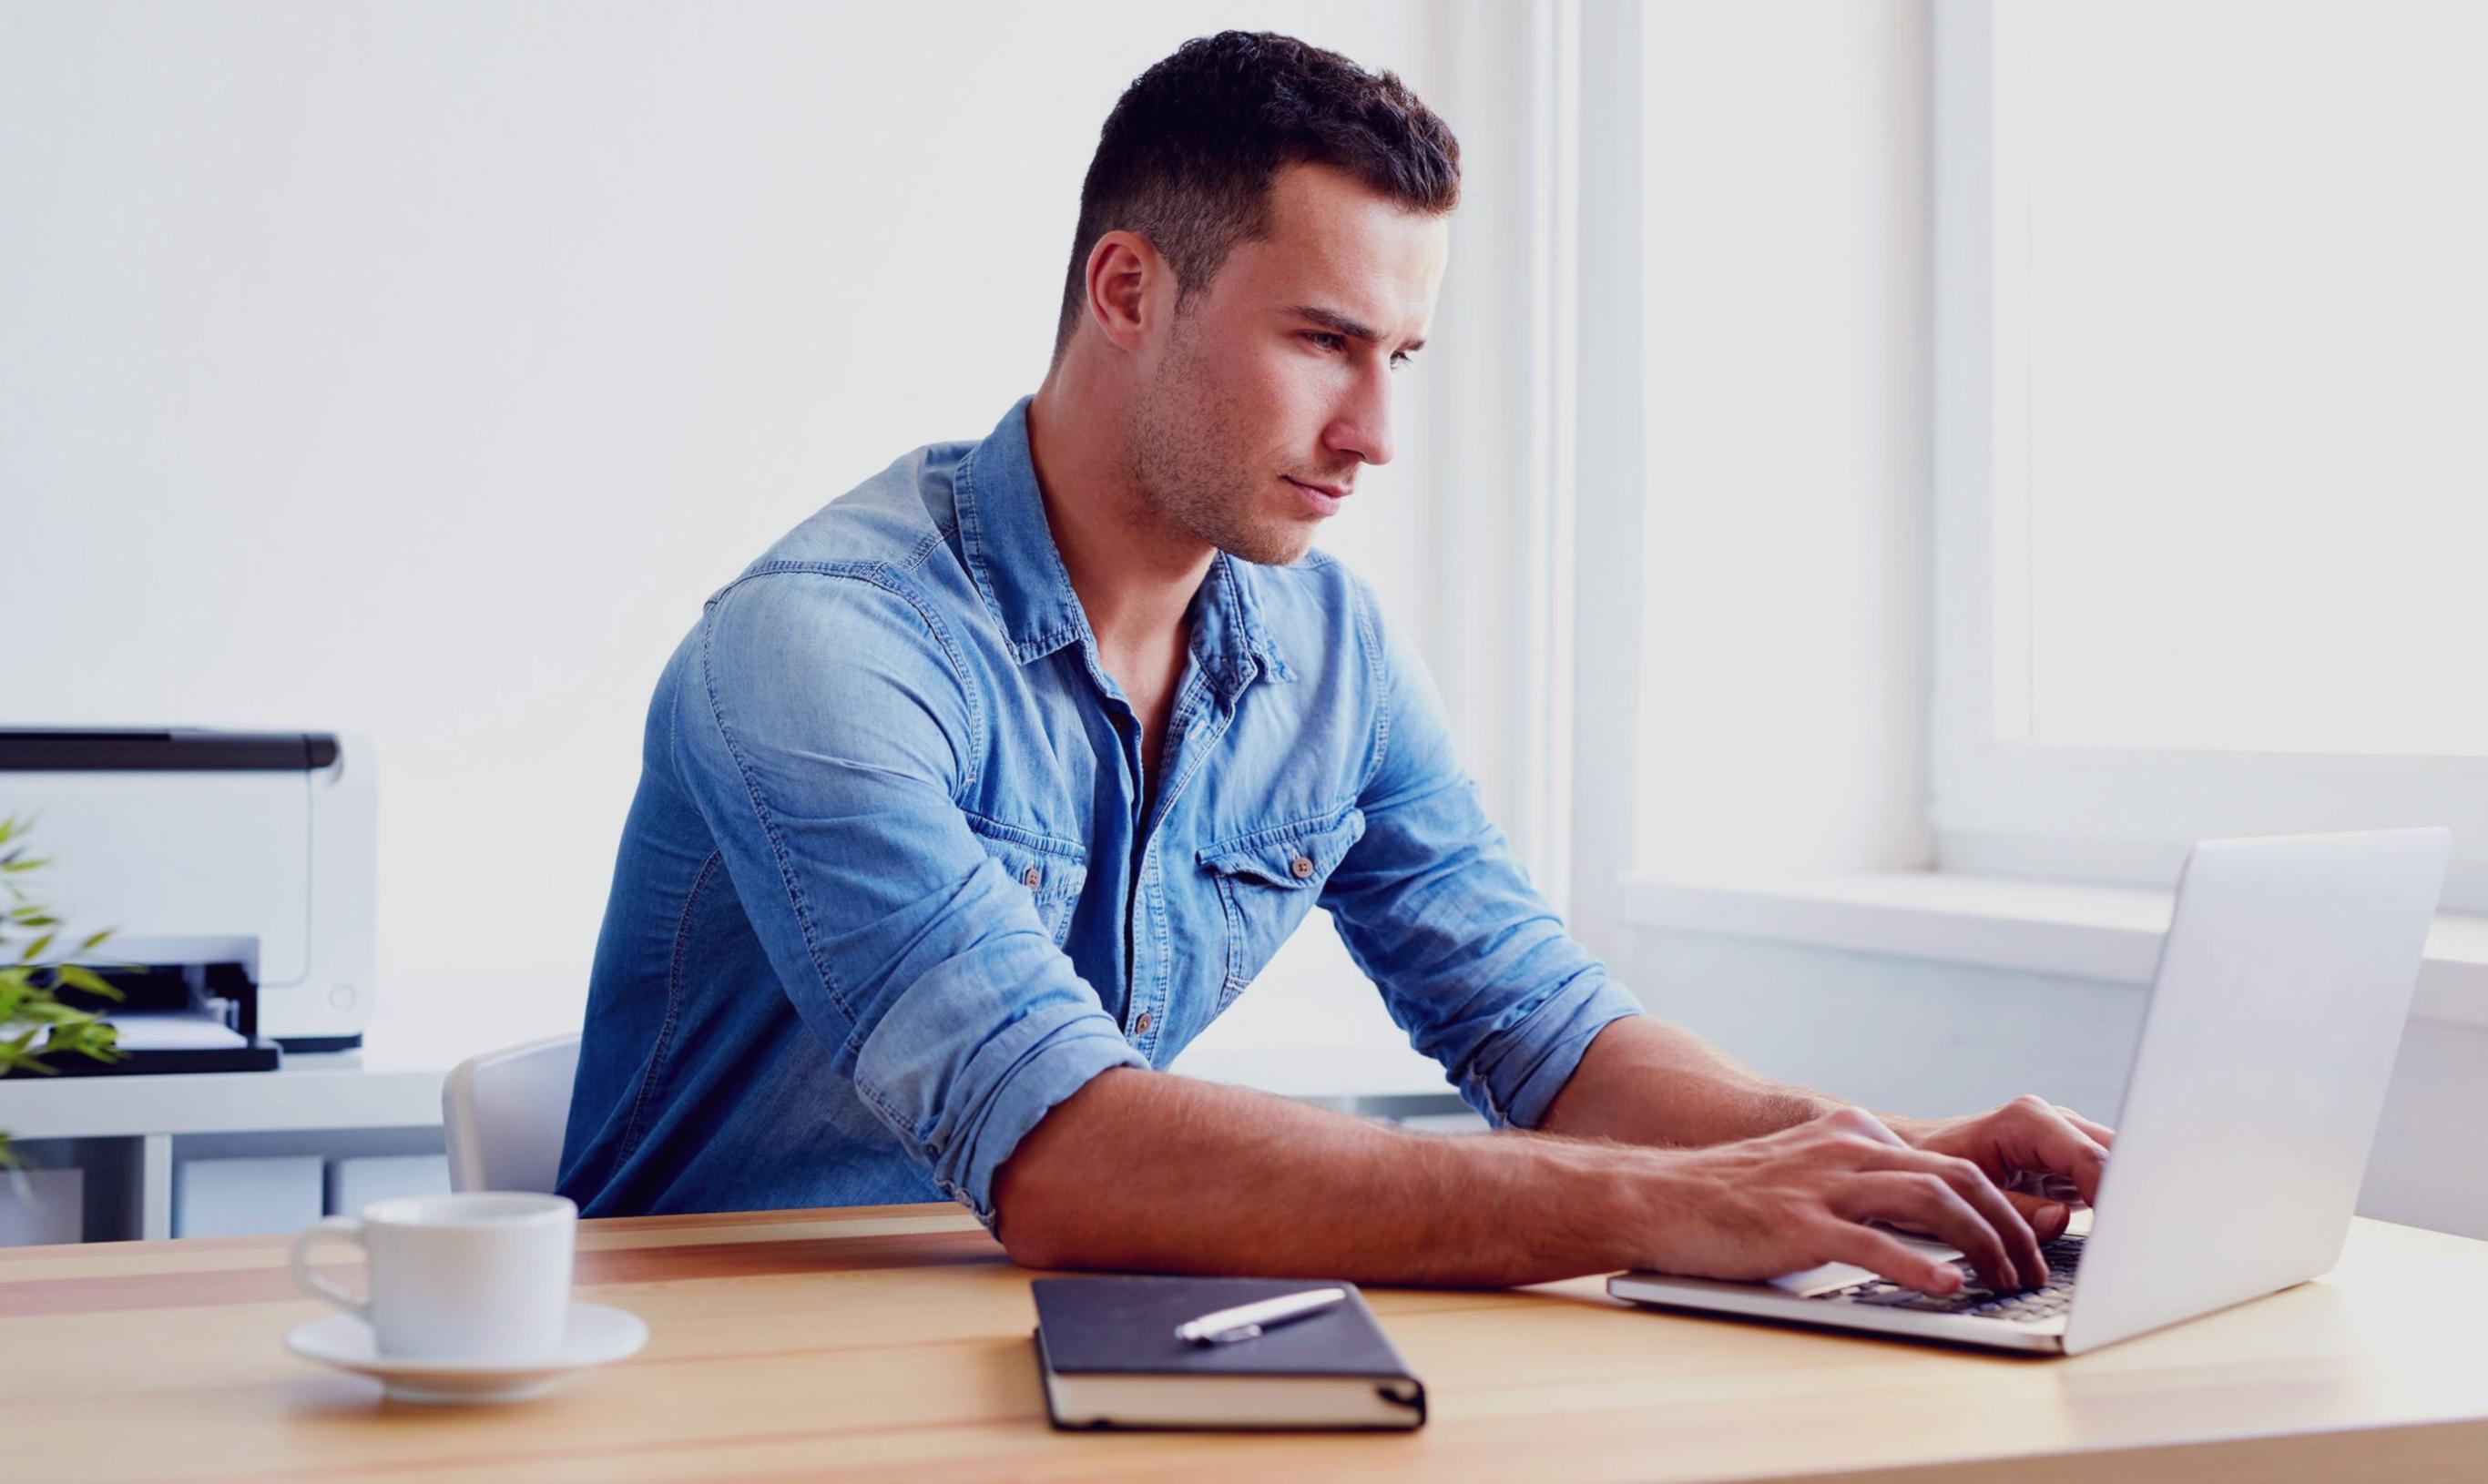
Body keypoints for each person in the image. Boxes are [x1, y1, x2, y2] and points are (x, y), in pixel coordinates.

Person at [557, 30, 2113, 1297]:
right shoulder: (821, 649)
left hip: (1062, 1336)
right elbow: (1069, 1157)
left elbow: (1546, 1032)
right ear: (1127, 291)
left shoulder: (1329, 653)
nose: (1374, 435)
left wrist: (1889, 1154)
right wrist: (1664, 1203)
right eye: (1322, 343)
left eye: (1401, 358)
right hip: (720, 1378)